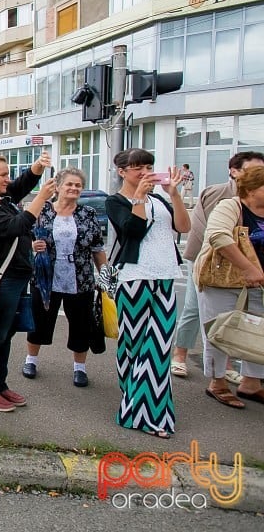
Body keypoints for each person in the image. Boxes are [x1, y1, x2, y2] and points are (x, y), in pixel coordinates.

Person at [105, 149, 190, 439]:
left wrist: (174, 194)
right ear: (122, 171)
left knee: (160, 347)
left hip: (165, 277)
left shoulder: (161, 200)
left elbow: (184, 227)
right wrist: (139, 197)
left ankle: (153, 414)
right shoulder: (115, 201)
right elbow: (134, 231)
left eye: (148, 166)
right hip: (133, 279)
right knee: (134, 345)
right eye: (137, 167)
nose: (144, 172)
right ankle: (135, 409)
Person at [0, 151, 55, 412]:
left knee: (6, 336)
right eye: (2, 174)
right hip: (0, 280)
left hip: (17, 277)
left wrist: (38, 166)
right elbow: (16, 226)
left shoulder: (1, 199)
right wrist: (41, 198)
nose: (8, 180)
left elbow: (22, 183)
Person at [174, 152, 263, 379]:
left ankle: (242, 375)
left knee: (248, 320)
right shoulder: (221, 195)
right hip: (211, 265)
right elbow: (213, 234)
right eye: (253, 170)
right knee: (197, 311)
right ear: (234, 171)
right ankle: (181, 356)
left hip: (247, 276)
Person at [22, 167, 106, 387]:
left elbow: (97, 247)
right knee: (39, 321)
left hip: (81, 279)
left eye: (78, 185)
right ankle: (31, 360)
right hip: (45, 278)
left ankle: (80, 368)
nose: (74, 188)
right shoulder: (42, 211)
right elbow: (22, 238)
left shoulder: (87, 214)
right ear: (57, 187)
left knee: (81, 325)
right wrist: (32, 246)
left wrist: (105, 274)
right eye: (69, 184)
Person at [194, 165, 264, 409]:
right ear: (252, 189)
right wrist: (248, 268)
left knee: (259, 331)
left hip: (259, 285)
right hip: (221, 281)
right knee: (217, 329)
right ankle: (218, 382)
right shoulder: (231, 206)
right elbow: (218, 236)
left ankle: (251, 383)